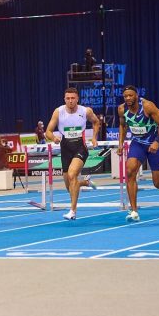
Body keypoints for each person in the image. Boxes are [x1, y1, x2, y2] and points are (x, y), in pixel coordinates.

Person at [45, 87, 100, 220]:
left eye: (73, 98)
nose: (70, 101)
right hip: (65, 148)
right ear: (64, 99)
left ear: (77, 99)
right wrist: (54, 138)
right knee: (69, 185)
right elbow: (48, 131)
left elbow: (96, 122)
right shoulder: (58, 112)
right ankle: (85, 183)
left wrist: (94, 137)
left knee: (72, 174)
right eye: (68, 98)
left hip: (80, 147)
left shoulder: (85, 111)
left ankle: (73, 211)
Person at [117, 85, 159, 222]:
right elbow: (123, 126)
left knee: (158, 184)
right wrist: (120, 144)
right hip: (137, 144)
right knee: (129, 172)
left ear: (136, 96)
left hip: (153, 143)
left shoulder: (147, 106)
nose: (128, 98)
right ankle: (134, 210)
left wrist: (158, 141)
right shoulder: (122, 109)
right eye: (125, 96)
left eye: (131, 95)